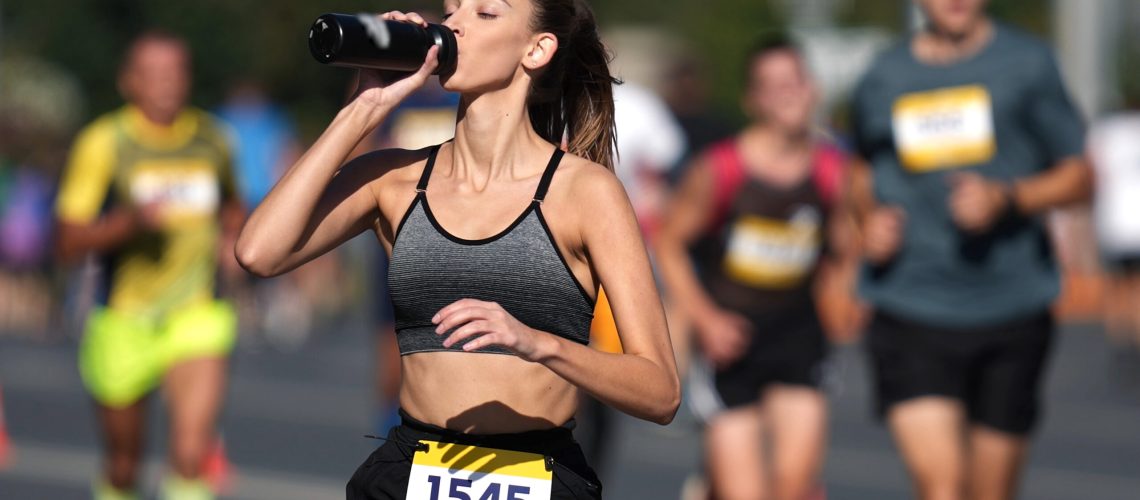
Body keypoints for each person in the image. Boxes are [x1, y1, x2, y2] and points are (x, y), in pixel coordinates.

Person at [234, 1, 681, 498]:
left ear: (537, 48)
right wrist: (363, 107)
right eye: (451, 12)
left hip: (536, 471)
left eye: (485, 13)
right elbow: (259, 252)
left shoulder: (585, 192)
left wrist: (539, 344)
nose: (453, 26)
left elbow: (660, 390)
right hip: (411, 467)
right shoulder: (394, 178)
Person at [849, 1, 1093, 499]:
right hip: (911, 302)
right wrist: (867, 220)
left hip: (1010, 304)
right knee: (941, 488)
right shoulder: (884, 73)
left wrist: (1010, 197)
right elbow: (858, 168)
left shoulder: (1027, 62)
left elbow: (1080, 176)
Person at [54, 32, 243, 500]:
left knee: (191, 452)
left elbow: (234, 210)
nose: (167, 84)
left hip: (196, 315)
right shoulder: (105, 142)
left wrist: (234, 242)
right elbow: (67, 242)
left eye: (177, 72)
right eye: (154, 74)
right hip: (123, 318)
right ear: (129, 82)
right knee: (123, 465)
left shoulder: (212, 138)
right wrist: (129, 224)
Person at [656, 36, 844, 500]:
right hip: (731, 344)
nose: (788, 94)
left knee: (795, 488)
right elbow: (668, 243)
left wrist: (845, 287)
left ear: (814, 88)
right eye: (772, 85)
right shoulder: (722, 168)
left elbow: (845, 245)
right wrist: (706, 319)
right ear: (753, 99)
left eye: (795, 81)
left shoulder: (833, 170)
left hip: (799, 337)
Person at [1088, 100, 1140, 381]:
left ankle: (1122, 340)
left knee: (1117, 284)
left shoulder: (1106, 132)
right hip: (1129, 222)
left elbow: (1093, 175)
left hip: (1114, 221)